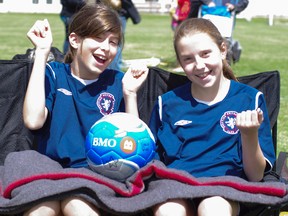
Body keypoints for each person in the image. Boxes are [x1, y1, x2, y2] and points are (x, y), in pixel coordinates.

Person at [23, 3, 148, 216]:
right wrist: (42, 53)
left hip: (95, 175)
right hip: (49, 171)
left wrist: (130, 94)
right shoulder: (54, 73)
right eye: (98, 38)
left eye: (113, 42)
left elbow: (134, 149)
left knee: (77, 205)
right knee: (40, 210)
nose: (106, 48)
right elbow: (33, 120)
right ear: (74, 40)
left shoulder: (118, 82)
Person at [149, 18, 275, 216]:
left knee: (212, 208)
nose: (199, 65)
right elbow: (149, 159)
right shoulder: (166, 104)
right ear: (180, 62)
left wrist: (249, 134)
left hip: (225, 188)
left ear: (223, 49)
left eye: (206, 54)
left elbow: (255, 176)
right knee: (168, 211)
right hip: (176, 185)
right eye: (188, 59)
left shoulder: (249, 100)